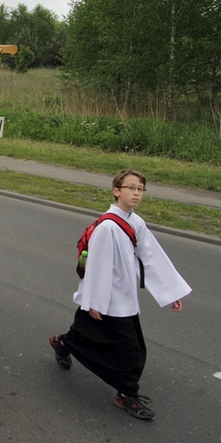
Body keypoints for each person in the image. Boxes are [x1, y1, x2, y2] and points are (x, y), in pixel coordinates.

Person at [49, 169, 191, 421]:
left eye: (140, 189)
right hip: (109, 299)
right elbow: (98, 267)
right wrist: (95, 302)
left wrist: (171, 293)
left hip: (125, 296)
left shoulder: (135, 222)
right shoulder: (108, 227)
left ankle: (61, 342)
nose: (136, 193)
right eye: (131, 188)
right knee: (131, 350)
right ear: (117, 191)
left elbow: (153, 257)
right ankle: (126, 394)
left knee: (84, 335)